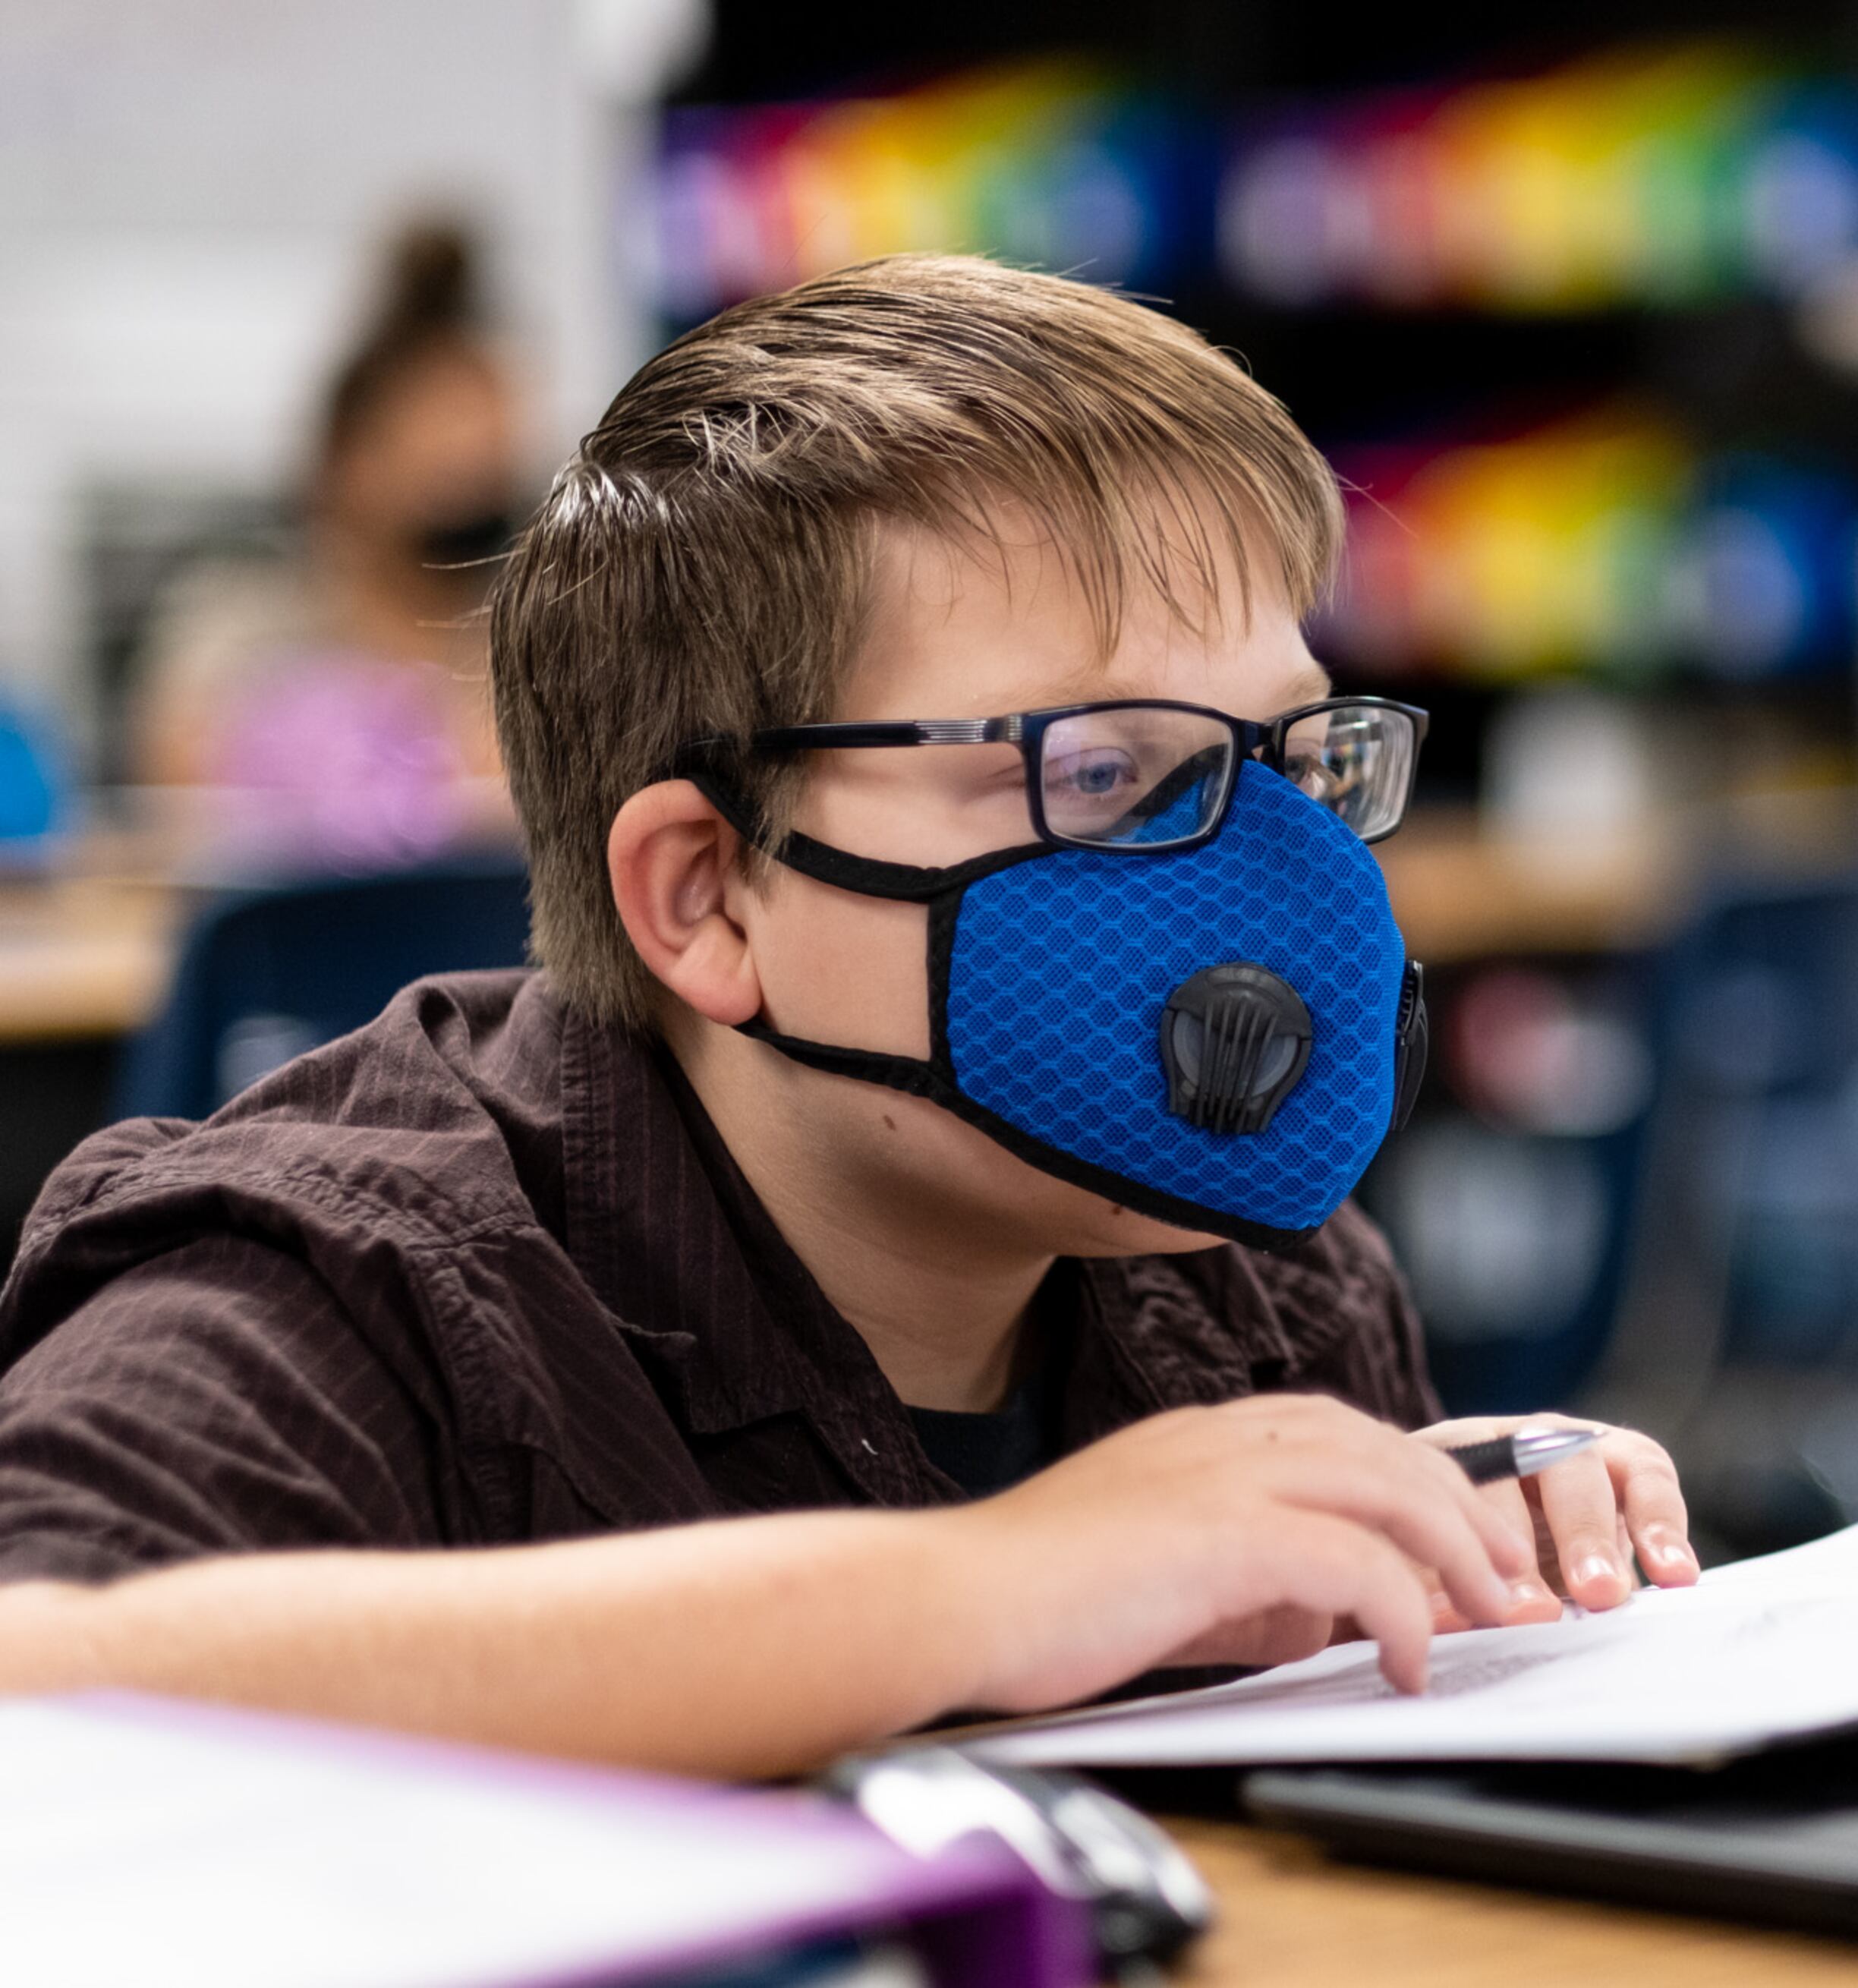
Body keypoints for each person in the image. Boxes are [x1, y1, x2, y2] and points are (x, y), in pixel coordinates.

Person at [0, 254, 1695, 1778]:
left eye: (1296, 756)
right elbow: (37, 1684)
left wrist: (1453, 1560)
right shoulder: (362, 1290)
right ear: (708, 894)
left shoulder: (1247, 1279)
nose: (1274, 870)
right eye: (1104, 772)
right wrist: (1000, 1582)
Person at [129, 217, 520, 862]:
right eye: (438, 443)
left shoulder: (531, 639)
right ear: (347, 462)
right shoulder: (235, 631)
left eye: (490, 443)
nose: (471, 465)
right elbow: (179, 827)